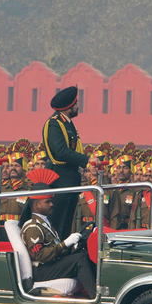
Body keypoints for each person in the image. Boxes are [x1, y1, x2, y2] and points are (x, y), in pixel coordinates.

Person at [20, 168, 96, 299]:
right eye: (47, 202)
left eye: (51, 201)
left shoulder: (45, 224)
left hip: (50, 265)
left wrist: (73, 247)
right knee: (80, 260)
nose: (51, 204)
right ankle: (96, 297)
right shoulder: (33, 227)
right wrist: (65, 244)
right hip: (41, 270)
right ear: (36, 205)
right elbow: (40, 255)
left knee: (83, 253)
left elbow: (56, 251)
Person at [42, 86, 93, 239]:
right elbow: (60, 152)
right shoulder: (54, 124)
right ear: (68, 106)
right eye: (76, 103)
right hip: (59, 179)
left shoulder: (67, 123)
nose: (78, 106)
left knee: (66, 222)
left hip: (70, 179)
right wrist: (87, 160)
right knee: (57, 221)